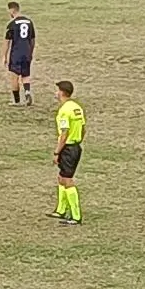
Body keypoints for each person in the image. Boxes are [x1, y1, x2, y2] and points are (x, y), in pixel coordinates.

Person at [48, 80, 86, 226]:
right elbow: (83, 128)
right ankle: (61, 209)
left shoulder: (64, 111)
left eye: (57, 90)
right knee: (61, 177)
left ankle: (76, 216)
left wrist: (57, 152)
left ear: (62, 92)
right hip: (76, 146)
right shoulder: (77, 108)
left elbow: (64, 133)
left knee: (67, 180)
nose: (56, 93)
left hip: (68, 148)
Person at [3, 1, 36, 106]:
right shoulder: (29, 22)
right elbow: (33, 40)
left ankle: (16, 101)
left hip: (16, 53)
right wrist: (31, 52)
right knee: (26, 75)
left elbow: (7, 42)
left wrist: (4, 56)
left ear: (12, 10)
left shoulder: (12, 24)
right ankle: (27, 93)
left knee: (14, 76)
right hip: (27, 52)